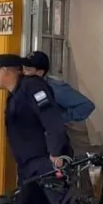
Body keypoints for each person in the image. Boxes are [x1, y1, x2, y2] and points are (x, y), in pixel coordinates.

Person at [0, 54, 72, 204]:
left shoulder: (33, 87)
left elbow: (52, 121)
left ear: (5, 71)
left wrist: (56, 154)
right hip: (29, 167)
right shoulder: (15, 94)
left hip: (47, 161)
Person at [23, 51, 96, 195]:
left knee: (60, 189)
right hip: (36, 147)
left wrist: (59, 118)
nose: (24, 73)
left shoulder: (55, 88)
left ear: (40, 72)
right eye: (23, 69)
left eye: (28, 70)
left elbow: (87, 105)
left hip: (55, 147)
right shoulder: (26, 87)